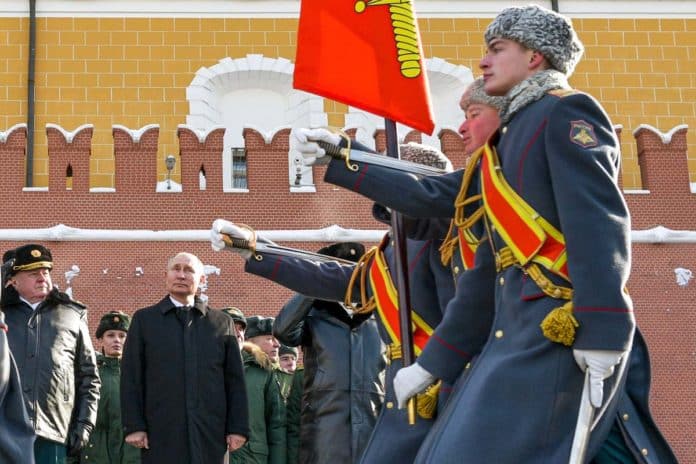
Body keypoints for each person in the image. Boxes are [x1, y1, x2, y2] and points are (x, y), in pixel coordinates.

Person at [294, 5, 636, 462]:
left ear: (534, 56)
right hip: (513, 334)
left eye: (497, 49)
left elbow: (597, 221)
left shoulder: (564, 111)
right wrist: (347, 155)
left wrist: (603, 325)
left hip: (561, 330)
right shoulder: (503, 146)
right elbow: (482, 262)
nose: (483, 61)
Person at [211, 142, 457, 463]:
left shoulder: (454, 228)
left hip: (448, 380)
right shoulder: (392, 248)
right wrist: (258, 249)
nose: (381, 186)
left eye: (391, 176)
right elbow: (344, 280)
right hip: (405, 395)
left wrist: (350, 156)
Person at [120, 252, 249, 464]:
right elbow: (131, 376)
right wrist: (134, 426)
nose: (181, 275)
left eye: (189, 270)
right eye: (176, 269)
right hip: (161, 431)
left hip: (210, 432)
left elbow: (234, 380)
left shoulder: (220, 323)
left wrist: (238, 428)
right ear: (166, 275)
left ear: (202, 279)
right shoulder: (145, 320)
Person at [271, 241, 385, 464]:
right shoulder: (315, 314)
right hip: (324, 429)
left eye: (353, 274)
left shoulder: (379, 316)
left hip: (373, 427)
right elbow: (283, 331)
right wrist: (313, 285)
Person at [1, 244, 100, 463]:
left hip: (52, 430)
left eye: (45, 272)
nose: (42, 278)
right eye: (33, 274)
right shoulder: (2, 314)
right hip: (5, 431)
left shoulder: (72, 314)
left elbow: (89, 378)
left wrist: (84, 424)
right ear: (13, 280)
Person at [70, 311, 140, 463]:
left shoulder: (139, 374)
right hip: (95, 455)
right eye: (110, 335)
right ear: (101, 339)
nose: (117, 340)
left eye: (122, 336)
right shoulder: (89, 374)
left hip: (131, 455)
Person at [231, 315, 287, 464]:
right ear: (250, 340)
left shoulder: (265, 373)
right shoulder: (208, 367)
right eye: (269, 338)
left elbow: (277, 426)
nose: (277, 345)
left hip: (252, 458)